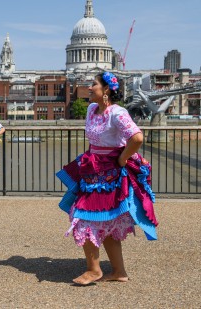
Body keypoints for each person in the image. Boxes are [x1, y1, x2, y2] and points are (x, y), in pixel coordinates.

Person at [56, 72, 158, 285]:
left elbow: (137, 138)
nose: (89, 87)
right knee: (107, 220)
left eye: (93, 84)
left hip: (109, 172)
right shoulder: (92, 109)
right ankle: (119, 271)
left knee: (84, 218)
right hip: (93, 169)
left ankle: (94, 270)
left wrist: (122, 158)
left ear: (106, 91)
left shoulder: (117, 113)